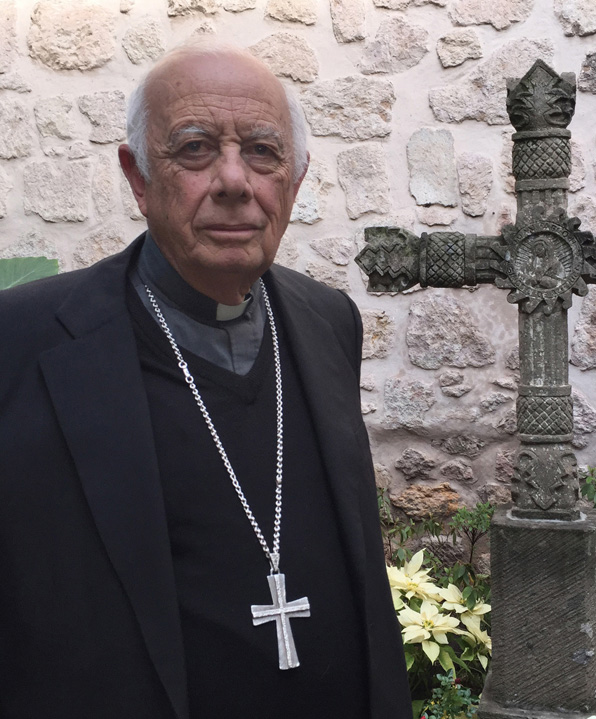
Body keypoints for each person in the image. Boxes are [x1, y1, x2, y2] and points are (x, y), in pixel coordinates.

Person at [0, 42, 410, 719]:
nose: (233, 180)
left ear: (296, 178)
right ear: (138, 176)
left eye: (262, 151)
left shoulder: (328, 320)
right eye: (194, 149)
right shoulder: (24, 340)